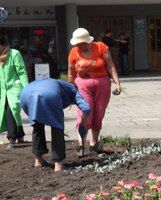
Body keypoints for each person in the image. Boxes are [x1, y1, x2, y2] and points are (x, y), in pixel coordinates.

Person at [67, 27, 122, 155]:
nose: (79, 46)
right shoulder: (74, 53)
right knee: (84, 111)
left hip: (102, 84)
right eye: (77, 44)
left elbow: (110, 66)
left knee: (99, 113)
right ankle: (81, 145)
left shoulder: (101, 47)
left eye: (81, 44)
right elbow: (71, 72)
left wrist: (118, 84)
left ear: (88, 41)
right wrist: (69, 91)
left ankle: (93, 144)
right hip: (82, 85)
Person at [20, 78, 90, 172]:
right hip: (50, 94)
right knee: (57, 127)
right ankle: (58, 165)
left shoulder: (58, 83)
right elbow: (86, 108)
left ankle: (38, 160)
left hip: (25, 94)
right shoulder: (73, 89)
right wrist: (83, 124)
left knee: (37, 125)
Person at [0, 35, 28, 149]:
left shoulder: (14, 54)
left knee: (12, 110)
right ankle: (20, 134)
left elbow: (22, 72)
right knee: (10, 112)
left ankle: (11, 138)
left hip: (15, 88)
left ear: (2, 45)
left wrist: (26, 88)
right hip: (3, 90)